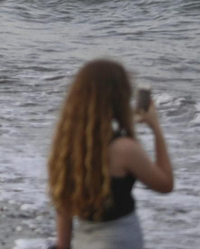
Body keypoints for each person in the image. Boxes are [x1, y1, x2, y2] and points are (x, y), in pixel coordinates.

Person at [47, 60, 173, 249]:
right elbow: (165, 184)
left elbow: (63, 210)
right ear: (119, 98)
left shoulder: (69, 149)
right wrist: (155, 128)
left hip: (84, 242)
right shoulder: (124, 149)